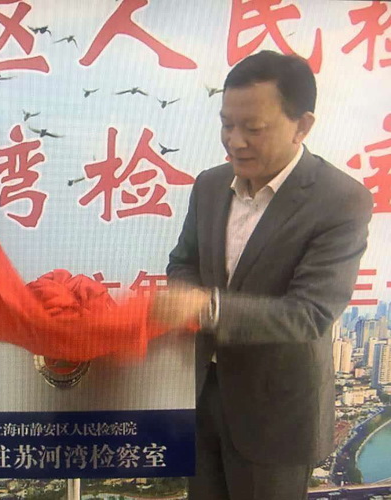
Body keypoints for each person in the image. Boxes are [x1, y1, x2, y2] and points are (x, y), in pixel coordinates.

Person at [157, 51, 373, 499]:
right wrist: (182, 294)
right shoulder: (210, 185)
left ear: (302, 125)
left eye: (253, 128)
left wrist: (206, 307)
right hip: (199, 395)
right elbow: (183, 261)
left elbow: (309, 313)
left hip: (276, 412)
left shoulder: (340, 200)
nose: (234, 142)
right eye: (226, 125)